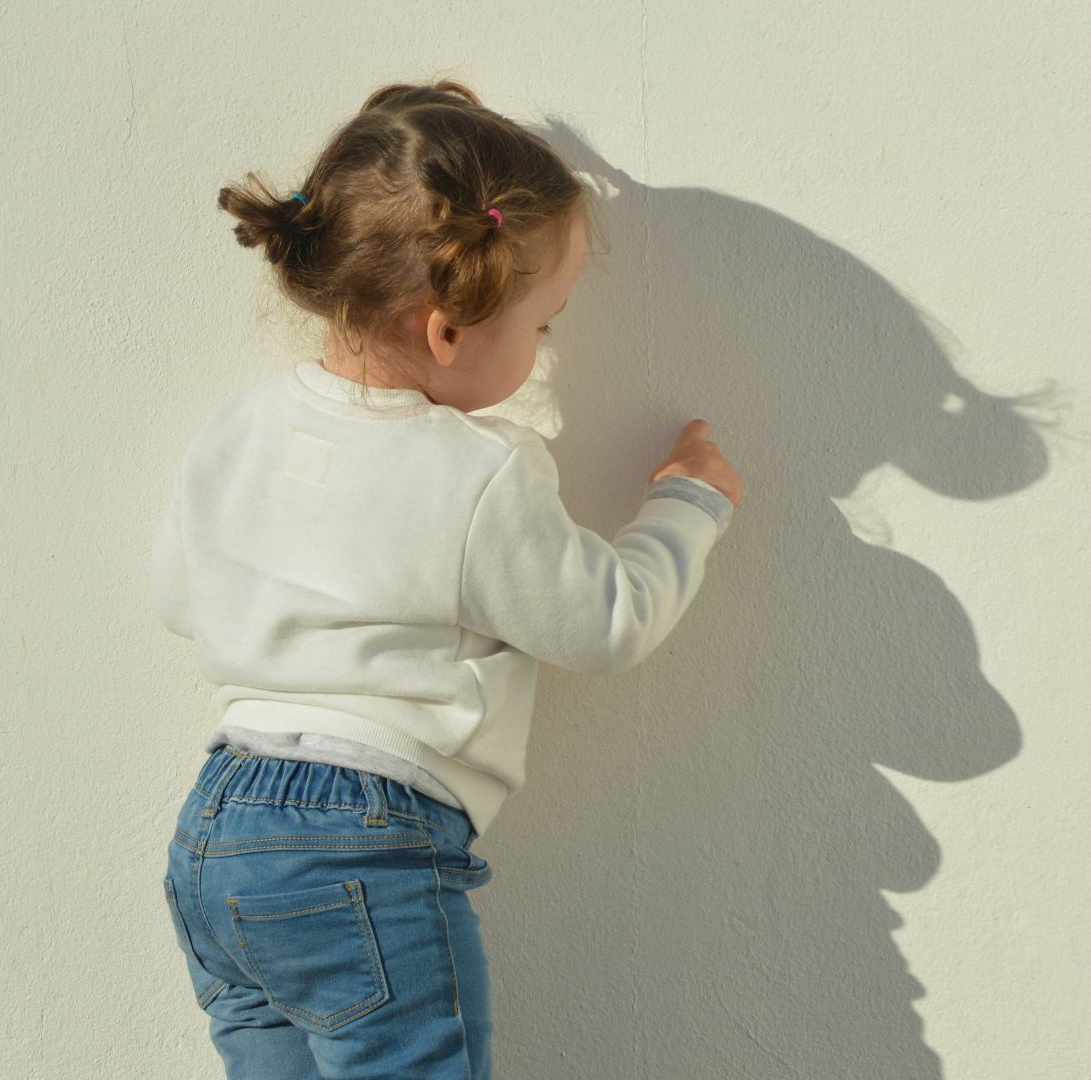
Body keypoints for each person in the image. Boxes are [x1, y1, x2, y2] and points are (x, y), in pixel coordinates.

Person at [151, 78, 744, 1080]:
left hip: (216, 830)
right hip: (359, 840)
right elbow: (607, 623)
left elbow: (177, 595)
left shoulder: (240, 428)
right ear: (447, 331)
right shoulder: (480, 470)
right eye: (543, 326)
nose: (543, 348)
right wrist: (688, 503)